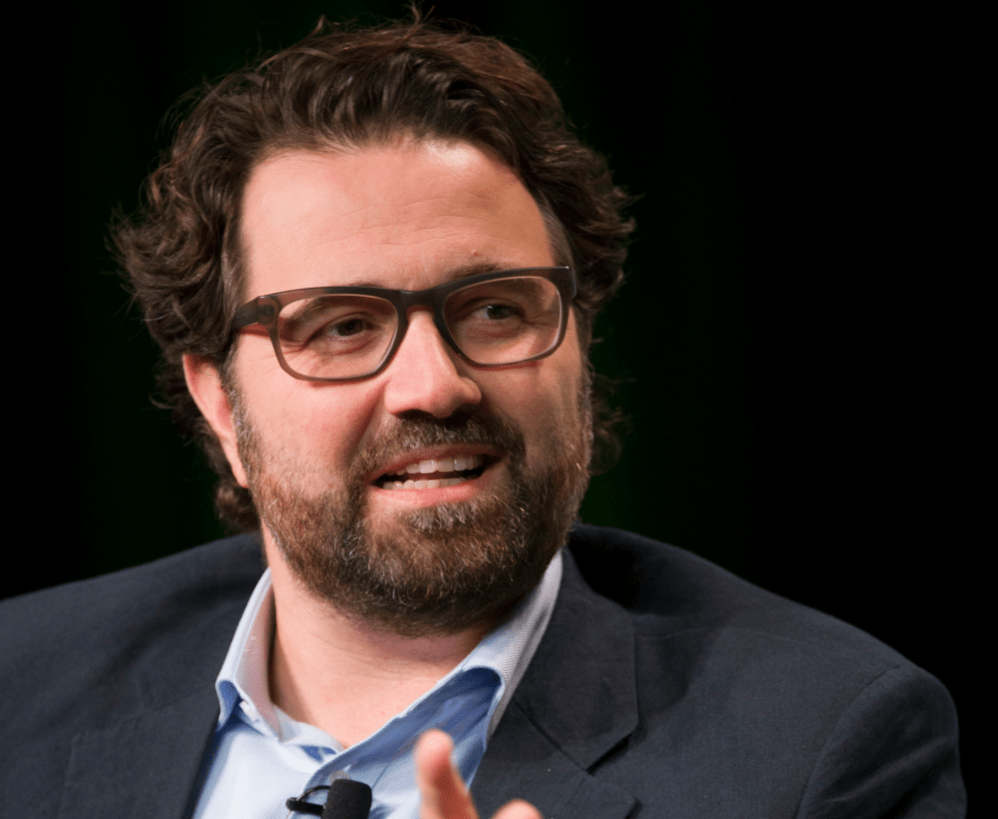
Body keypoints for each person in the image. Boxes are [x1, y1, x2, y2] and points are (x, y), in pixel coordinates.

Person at [0, 15, 965, 819]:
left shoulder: (825, 750)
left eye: (496, 309)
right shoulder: (21, 681)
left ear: (580, 337)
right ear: (219, 398)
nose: (435, 384)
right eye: (340, 326)